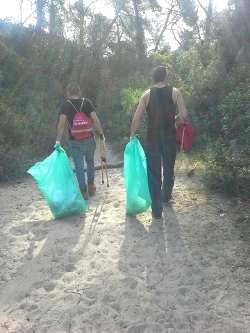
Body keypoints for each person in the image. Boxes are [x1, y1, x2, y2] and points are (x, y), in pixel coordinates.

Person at [130, 66, 187, 219]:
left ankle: (156, 210)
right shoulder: (175, 92)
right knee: (169, 168)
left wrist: (131, 136)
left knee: (154, 173)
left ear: (152, 79)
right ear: (166, 77)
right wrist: (173, 120)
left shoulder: (146, 95)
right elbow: (184, 114)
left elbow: (136, 119)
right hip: (169, 137)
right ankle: (166, 197)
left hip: (152, 139)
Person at [55, 82, 104, 200]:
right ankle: (91, 185)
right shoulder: (86, 102)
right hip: (89, 138)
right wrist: (102, 134)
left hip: (74, 140)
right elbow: (95, 120)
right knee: (90, 161)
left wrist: (58, 141)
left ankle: (83, 191)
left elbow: (61, 124)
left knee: (79, 166)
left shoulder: (65, 105)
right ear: (80, 92)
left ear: (67, 94)